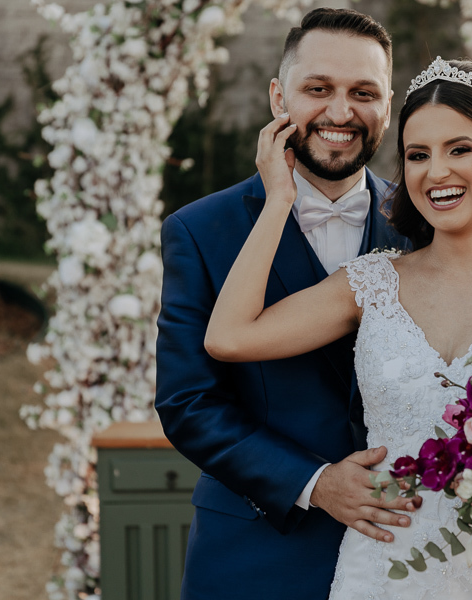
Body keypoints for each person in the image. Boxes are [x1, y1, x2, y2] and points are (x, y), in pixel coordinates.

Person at [205, 56, 472, 600]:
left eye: (460, 149)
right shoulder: (372, 282)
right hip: (383, 573)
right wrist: (279, 197)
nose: (436, 172)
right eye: (418, 155)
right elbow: (229, 337)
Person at [155, 8, 414, 600]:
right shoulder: (199, 230)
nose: (341, 112)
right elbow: (188, 401)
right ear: (279, 95)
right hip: (255, 555)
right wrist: (316, 482)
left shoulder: (426, 226)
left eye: (363, 92)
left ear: (388, 104)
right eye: (318, 89)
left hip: (406, 549)